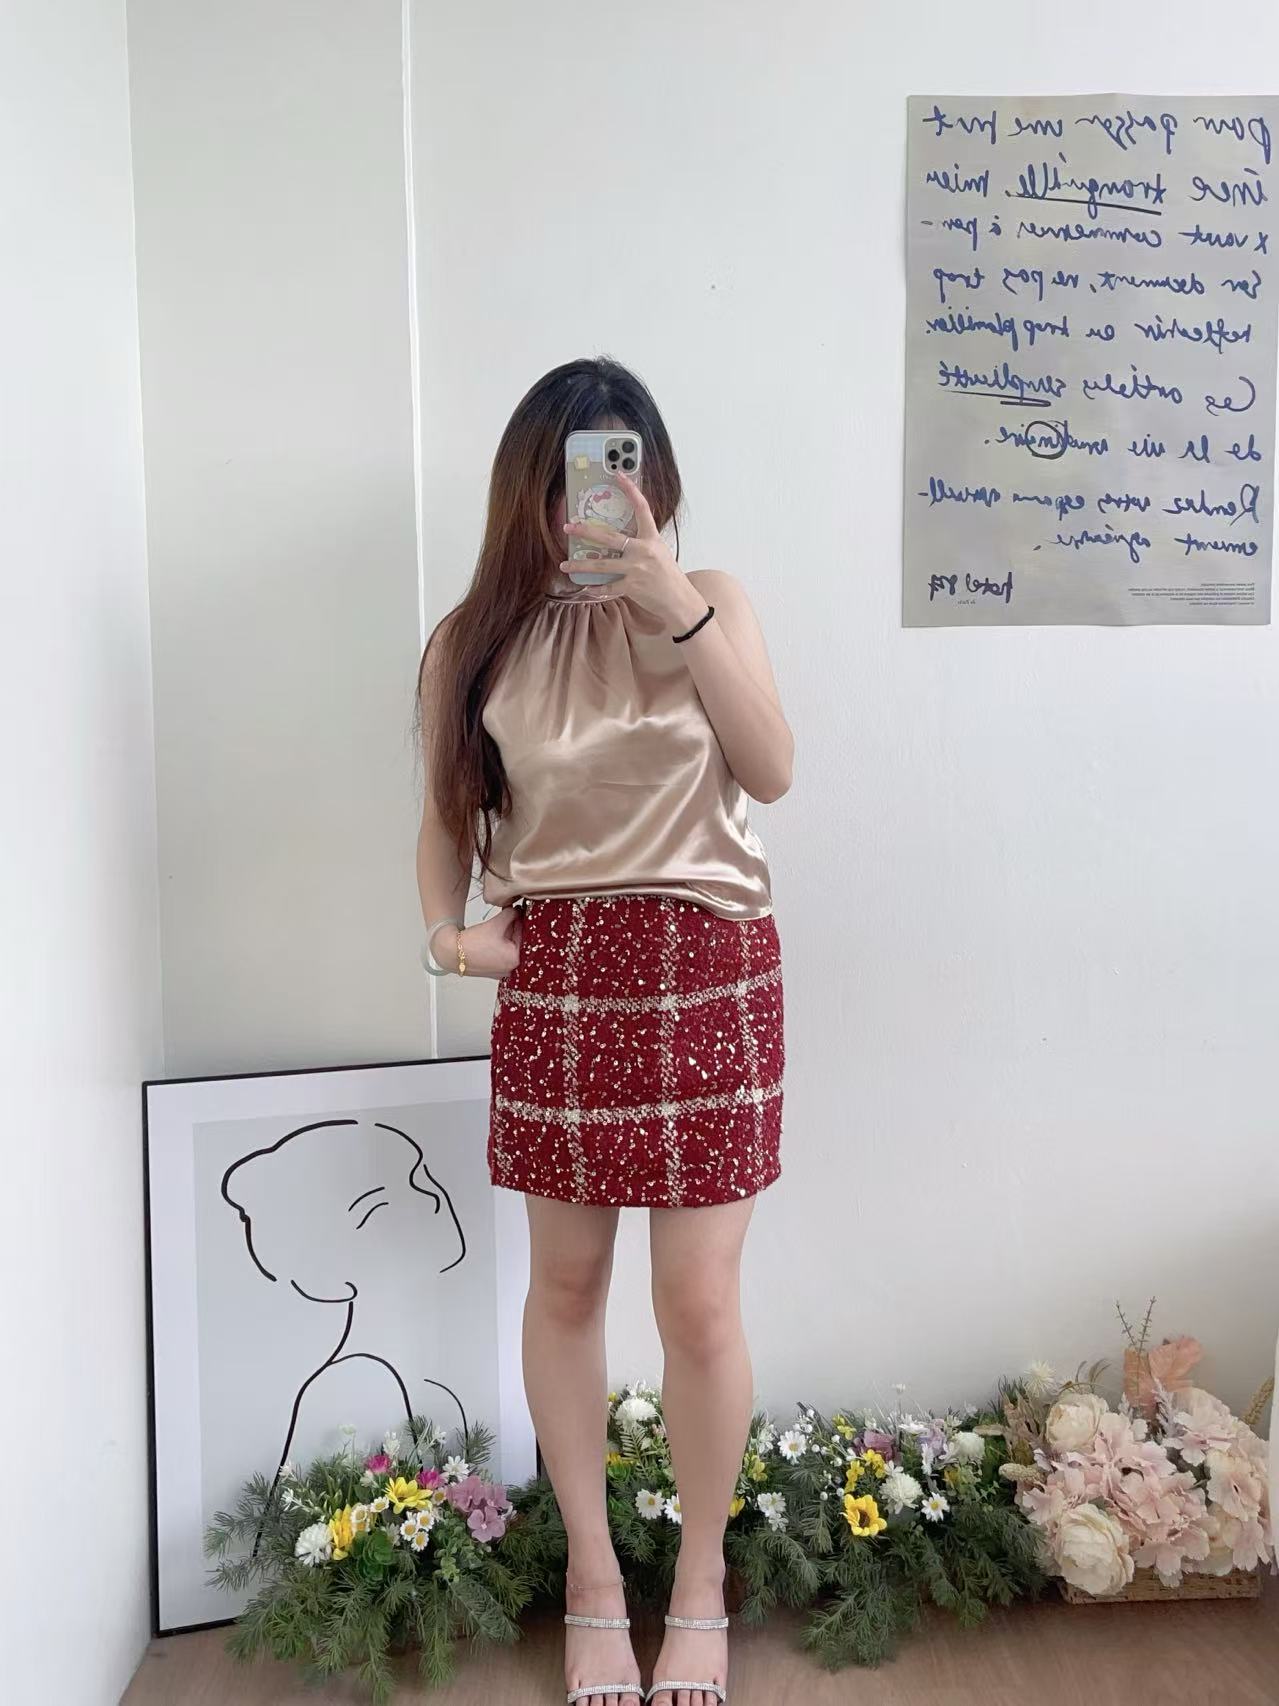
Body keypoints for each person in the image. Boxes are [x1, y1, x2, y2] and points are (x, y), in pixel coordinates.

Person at [414, 356, 792, 1706]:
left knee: (699, 1301)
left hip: (708, 965)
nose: (604, 498)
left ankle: (698, 1583)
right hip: (563, 976)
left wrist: (676, 604)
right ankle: (589, 1571)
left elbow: (772, 769)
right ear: (531, 490)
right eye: (577, 475)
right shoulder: (473, 640)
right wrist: (452, 939)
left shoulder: (711, 598)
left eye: (626, 469)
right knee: (567, 1289)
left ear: (654, 478)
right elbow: (445, 821)